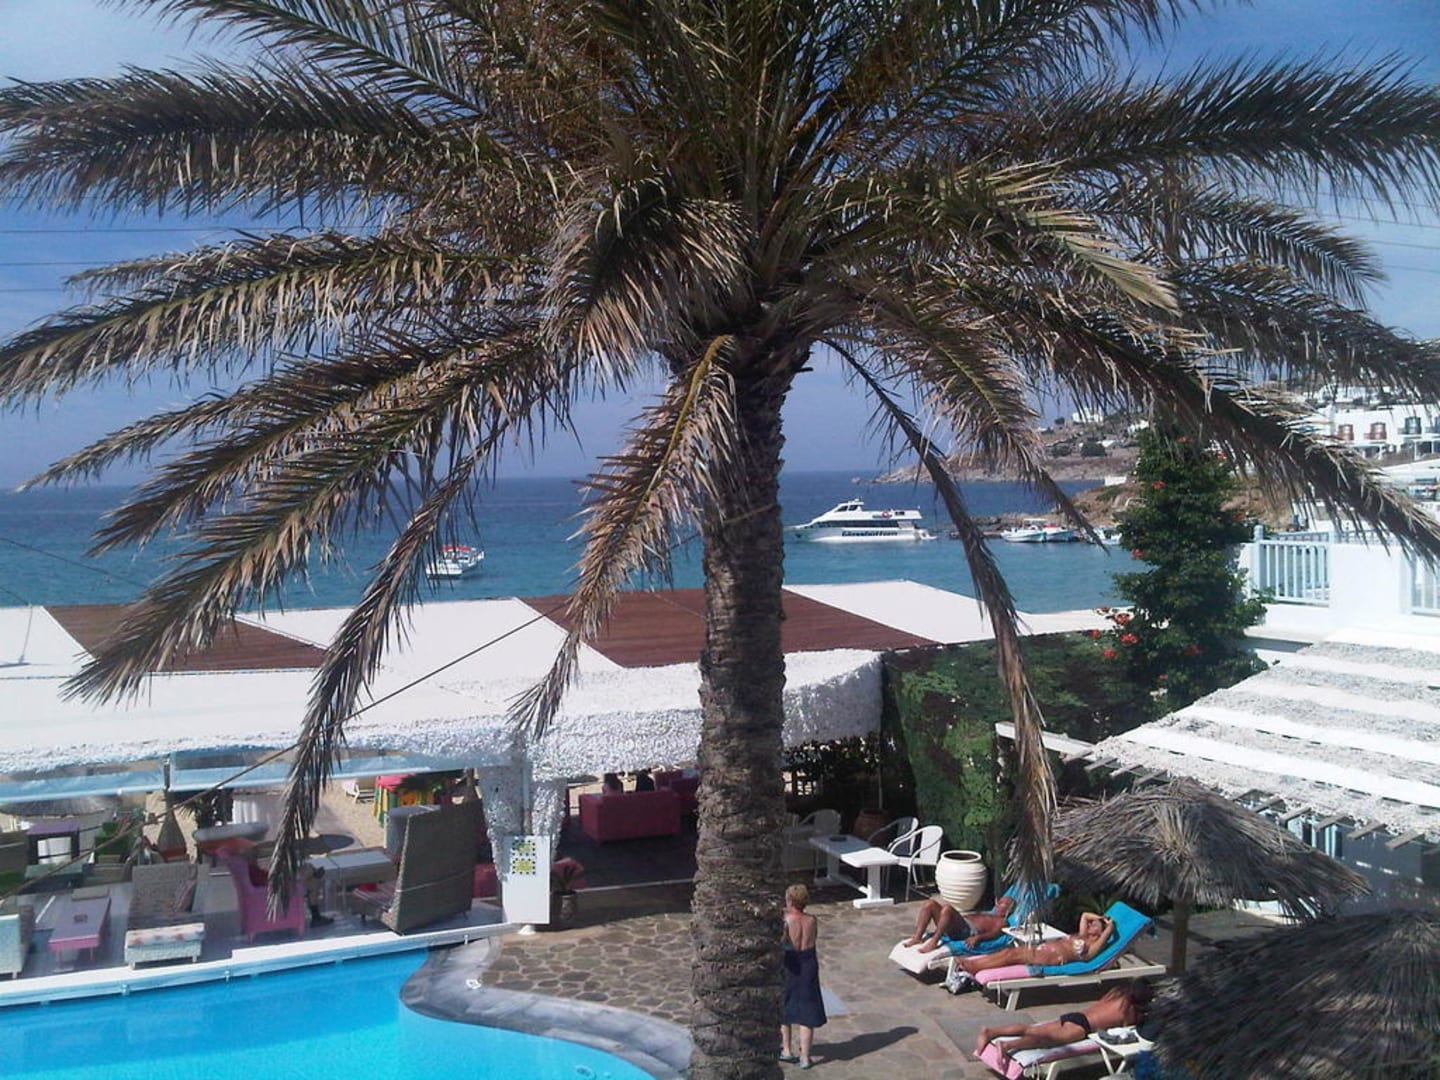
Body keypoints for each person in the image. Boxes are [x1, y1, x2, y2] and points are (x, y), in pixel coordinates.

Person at [974, 979, 1153, 1065]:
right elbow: (1127, 1027)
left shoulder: (1116, 993)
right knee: (1043, 1040)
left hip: (1076, 1015)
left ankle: (992, 1032)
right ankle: (1006, 1045)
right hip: (1082, 1026)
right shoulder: (1128, 1009)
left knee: (1032, 1029)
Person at [953, 911, 1116, 977]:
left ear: (1101, 933)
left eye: (1095, 925)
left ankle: (976, 967)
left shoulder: (1092, 947)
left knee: (1012, 957)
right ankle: (975, 964)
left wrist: (1109, 927)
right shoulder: (1082, 935)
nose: (1091, 924)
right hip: (1044, 948)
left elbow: (1105, 934)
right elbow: (1084, 915)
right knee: (1008, 952)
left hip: (1053, 956)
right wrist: (1100, 918)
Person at [780, 883, 825, 1069]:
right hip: (808, 963)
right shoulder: (812, 920)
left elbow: (783, 943)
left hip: (791, 963)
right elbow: (813, 939)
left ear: (790, 901)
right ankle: (805, 1057)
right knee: (807, 1009)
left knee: (785, 1006)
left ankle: (786, 1050)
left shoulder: (786, 921)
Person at [900, 893, 1017, 953]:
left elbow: (994, 934)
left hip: (966, 932)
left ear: (1008, 909)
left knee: (948, 909)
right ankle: (918, 937)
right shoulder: (990, 913)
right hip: (959, 924)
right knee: (929, 904)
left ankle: (934, 942)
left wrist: (977, 938)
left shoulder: (1002, 922)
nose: (998, 905)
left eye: (1002, 903)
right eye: (999, 902)